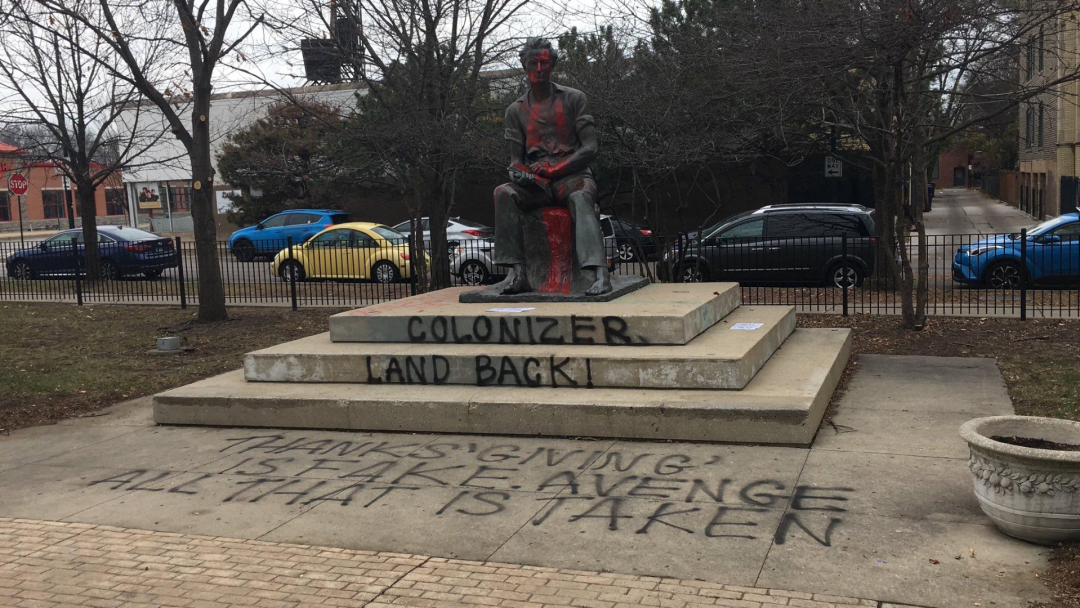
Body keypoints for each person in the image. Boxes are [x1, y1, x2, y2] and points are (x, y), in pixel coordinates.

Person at [493, 37, 611, 296]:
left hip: (573, 176)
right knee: (504, 192)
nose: (539, 68)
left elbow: (590, 148)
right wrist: (519, 174)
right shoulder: (515, 111)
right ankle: (519, 273)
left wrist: (556, 170)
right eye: (533, 63)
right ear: (524, 65)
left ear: (553, 65)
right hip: (538, 184)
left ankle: (600, 274)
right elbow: (516, 160)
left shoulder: (574, 99)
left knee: (581, 198)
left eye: (544, 62)